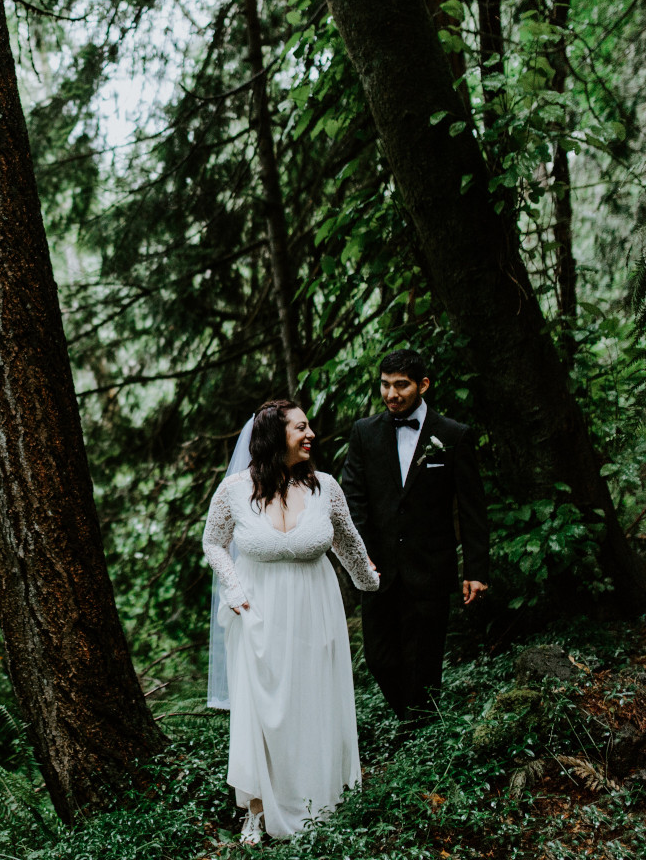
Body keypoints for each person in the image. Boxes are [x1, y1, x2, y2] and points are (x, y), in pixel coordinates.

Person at [202, 400, 380, 845]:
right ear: (273, 436)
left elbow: (349, 544)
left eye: (309, 427)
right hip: (258, 615)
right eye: (301, 428)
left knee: (313, 703)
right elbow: (213, 543)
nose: (310, 435)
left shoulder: (326, 488)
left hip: (315, 612)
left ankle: (321, 802)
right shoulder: (233, 491)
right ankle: (258, 810)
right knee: (263, 712)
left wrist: (372, 582)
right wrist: (234, 587)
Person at [339, 348, 489, 728]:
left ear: (422, 385)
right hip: (377, 571)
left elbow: (472, 509)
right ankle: (416, 721)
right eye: (386, 385)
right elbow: (352, 498)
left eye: (401, 385)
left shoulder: (453, 435)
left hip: (430, 568)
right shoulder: (364, 433)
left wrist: (475, 569)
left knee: (423, 661)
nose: (391, 394)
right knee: (379, 658)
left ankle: (417, 736)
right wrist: (360, 555)